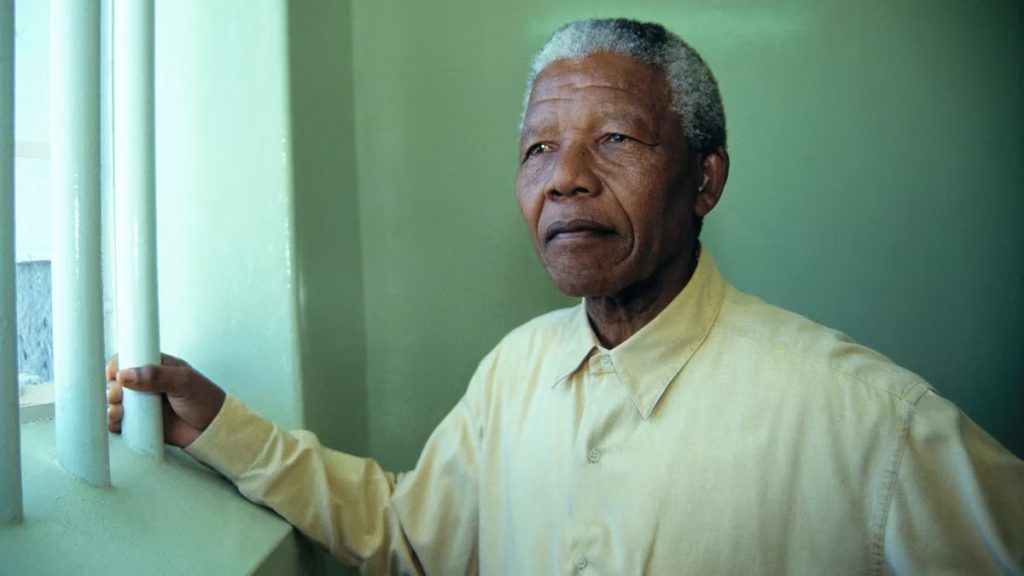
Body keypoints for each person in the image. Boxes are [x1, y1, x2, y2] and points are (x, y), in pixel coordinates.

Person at [106, 18, 1023, 575]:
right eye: (539, 149)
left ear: (705, 181)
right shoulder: (516, 370)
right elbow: (409, 538)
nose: (565, 180)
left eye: (617, 139)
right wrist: (218, 425)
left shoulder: (871, 424)